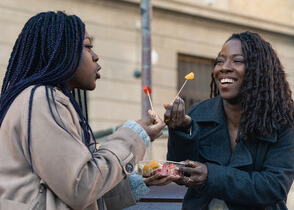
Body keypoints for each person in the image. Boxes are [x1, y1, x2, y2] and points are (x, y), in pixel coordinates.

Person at [0, 11, 177, 210]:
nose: (95, 56)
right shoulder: (41, 98)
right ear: (62, 51)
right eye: (88, 46)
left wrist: (141, 182)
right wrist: (132, 136)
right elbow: (80, 188)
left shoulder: (43, 99)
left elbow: (75, 192)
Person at [164, 31, 294, 210]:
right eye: (220, 61)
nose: (224, 67)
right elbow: (180, 172)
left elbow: (275, 187)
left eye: (237, 61)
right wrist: (182, 131)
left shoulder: (279, 123)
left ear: (258, 71)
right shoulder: (199, 113)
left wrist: (211, 176)